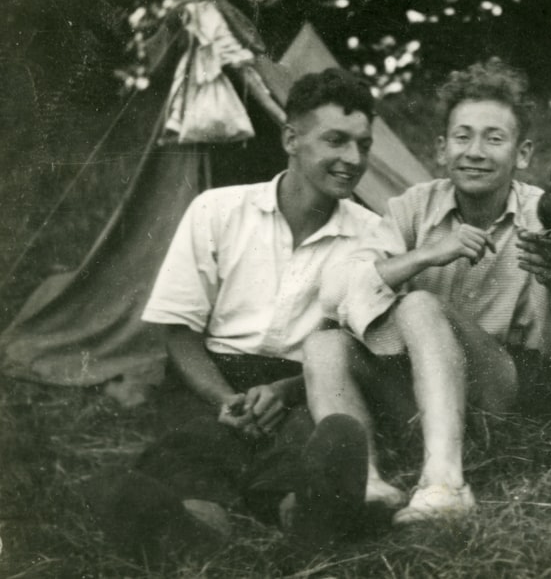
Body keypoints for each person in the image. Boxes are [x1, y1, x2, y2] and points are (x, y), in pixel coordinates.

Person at [88, 67, 381, 556]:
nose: (352, 159)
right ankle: (194, 530)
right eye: (336, 141)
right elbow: (179, 329)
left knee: (314, 441)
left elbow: (361, 348)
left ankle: (305, 519)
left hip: (306, 381)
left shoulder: (374, 235)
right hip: (211, 374)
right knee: (197, 447)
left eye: (364, 145)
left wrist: (287, 392)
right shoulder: (217, 210)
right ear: (291, 137)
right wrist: (225, 398)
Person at [303, 59, 551, 525]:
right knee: (323, 343)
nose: (475, 151)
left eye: (494, 139)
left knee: (417, 305)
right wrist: (423, 255)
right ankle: (367, 482)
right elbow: (336, 293)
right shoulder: (413, 206)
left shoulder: (546, 212)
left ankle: (446, 484)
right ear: (440, 148)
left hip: (521, 399)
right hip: (441, 400)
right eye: (462, 136)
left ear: (522, 153)